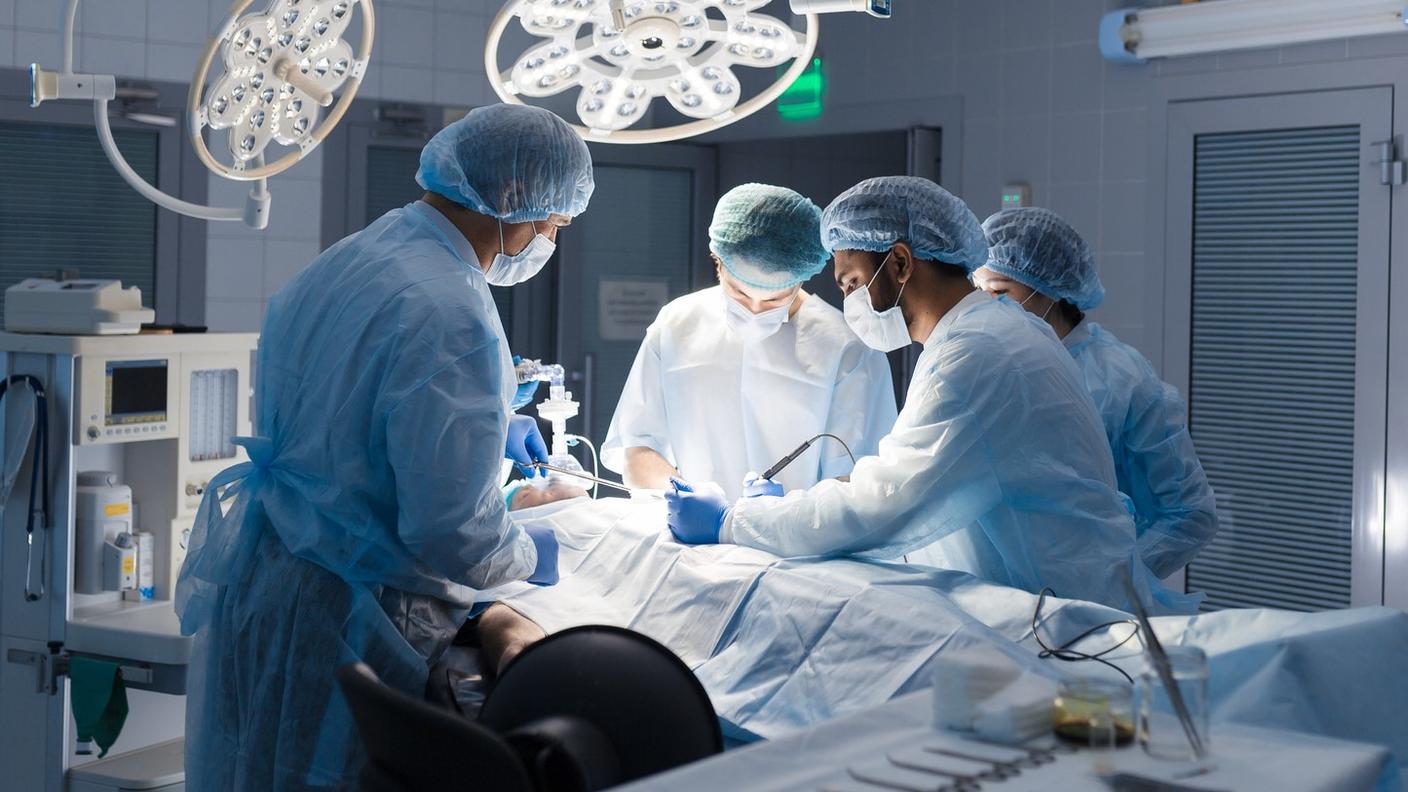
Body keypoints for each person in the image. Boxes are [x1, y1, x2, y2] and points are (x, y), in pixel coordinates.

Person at [175, 105, 594, 791]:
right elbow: (449, 535)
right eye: (554, 222)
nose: (550, 236)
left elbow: (344, 428)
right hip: (354, 612)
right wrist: (525, 548)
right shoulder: (452, 308)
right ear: (516, 200)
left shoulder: (353, 257)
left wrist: (493, 459)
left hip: (273, 576)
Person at [664, 176, 1195, 615]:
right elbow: (926, 471)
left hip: (1060, 620)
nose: (847, 300)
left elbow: (884, 507)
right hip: (1057, 600)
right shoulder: (997, 330)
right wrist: (805, 504)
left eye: (849, 284)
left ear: (898, 264)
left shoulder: (977, 355)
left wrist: (734, 522)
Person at [603, 183, 897, 501]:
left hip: (800, 547)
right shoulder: (677, 324)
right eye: (740, 293)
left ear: (802, 277)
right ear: (718, 262)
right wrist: (689, 497)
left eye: (774, 299)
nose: (755, 311)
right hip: (695, 544)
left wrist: (777, 522)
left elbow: (854, 484)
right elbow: (637, 451)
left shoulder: (848, 349)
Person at [973, 207, 1218, 578]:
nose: (987, 307)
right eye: (979, 292)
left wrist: (1111, 576)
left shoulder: (1121, 379)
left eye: (999, 292)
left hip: (1089, 613)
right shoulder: (986, 362)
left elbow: (1190, 514)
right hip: (991, 598)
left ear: (1048, 289)